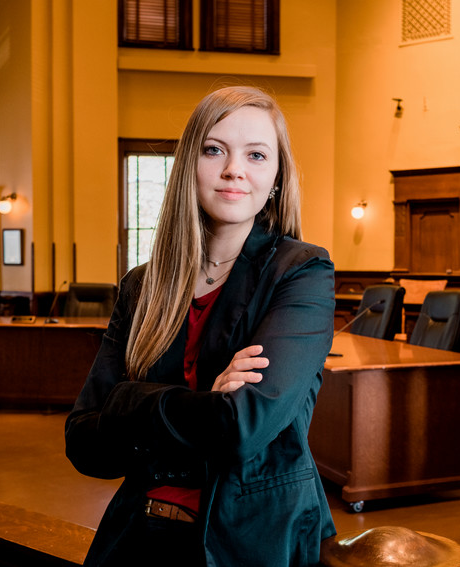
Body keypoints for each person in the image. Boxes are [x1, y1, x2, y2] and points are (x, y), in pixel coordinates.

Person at [65, 85, 337, 566]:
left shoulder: (300, 272)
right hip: (138, 535)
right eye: (215, 150)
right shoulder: (141, 286)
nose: (234, 169)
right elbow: (85, 444)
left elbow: (242, 427)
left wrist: (129, 401)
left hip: (248, 543)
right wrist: (206, 402)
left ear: (275, 176)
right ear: (190, 164)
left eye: (256, 154)